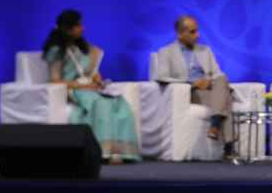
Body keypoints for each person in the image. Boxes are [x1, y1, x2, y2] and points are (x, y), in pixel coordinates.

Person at [42, 9, 141, 164]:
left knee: (119, 103)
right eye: (78, 25)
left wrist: (97, 80)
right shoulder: (56, 51)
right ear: (67, 29)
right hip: (74, 90)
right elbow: (55, 81)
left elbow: (91, 72)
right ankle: (102, 151)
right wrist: (82, 85)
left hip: (90, 88)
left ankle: (120, 150)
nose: (82, 28)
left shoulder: (83, 48)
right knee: (101, 103)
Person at [154, 15, 234, 150]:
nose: (197, 35)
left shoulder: (205, 50)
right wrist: (191, 84)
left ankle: (215, 125)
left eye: (197, 31)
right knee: (225, 99)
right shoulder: (166, 52)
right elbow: (161, 77)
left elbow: (217, 73)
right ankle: (228, 145)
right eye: (192, 32)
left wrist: (208, 81)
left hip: (210, 88)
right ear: (180, 34)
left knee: (222, 79)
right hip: (190, 92)